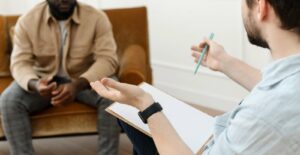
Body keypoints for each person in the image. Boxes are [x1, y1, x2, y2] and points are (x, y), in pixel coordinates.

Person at [90, 0, 300, 154]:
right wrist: (225, 62)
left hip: (207, 146)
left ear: (261, 7)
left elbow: (272, 107)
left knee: (134, 119)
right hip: (222, 135)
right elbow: (277, 88)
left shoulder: (262, 115)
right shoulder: (289, 80)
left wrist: (145, 105)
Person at [0, 0, 120, 155]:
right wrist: (35, 84)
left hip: (85, 79)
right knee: (9, 100)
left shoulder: (97, 18)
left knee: (113, 94)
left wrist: (79, 84)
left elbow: (107, 58)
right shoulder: (27, 21)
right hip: (43, 81)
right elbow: (19, 63)